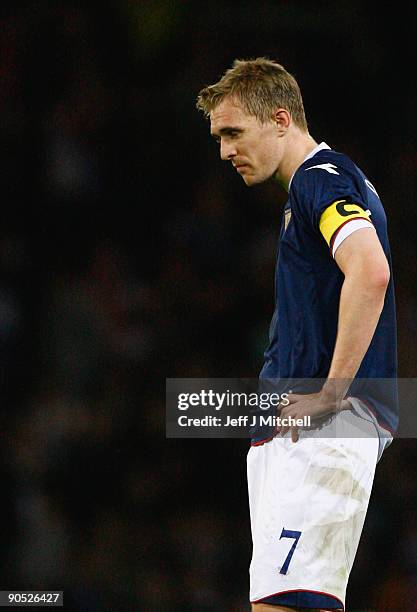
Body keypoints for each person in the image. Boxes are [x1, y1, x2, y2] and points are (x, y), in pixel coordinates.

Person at [196, 58, 398, 612]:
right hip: (306, 434)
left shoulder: (319, 179)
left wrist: (331, 395)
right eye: (218, 137)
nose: (224, 151)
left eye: (233, 133)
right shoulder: (324, 186)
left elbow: (371, 271)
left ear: (281, 120)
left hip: (322, 430)